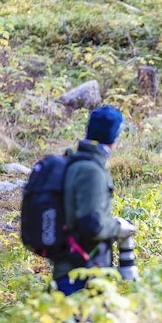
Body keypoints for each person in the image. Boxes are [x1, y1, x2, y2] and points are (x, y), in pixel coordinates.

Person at [52, 105, 137, 296]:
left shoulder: (80, 162)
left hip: (75, 268)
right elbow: (91, 225)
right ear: (114, 136)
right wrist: (119, 227)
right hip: (81, 272)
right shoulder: (91, 170)